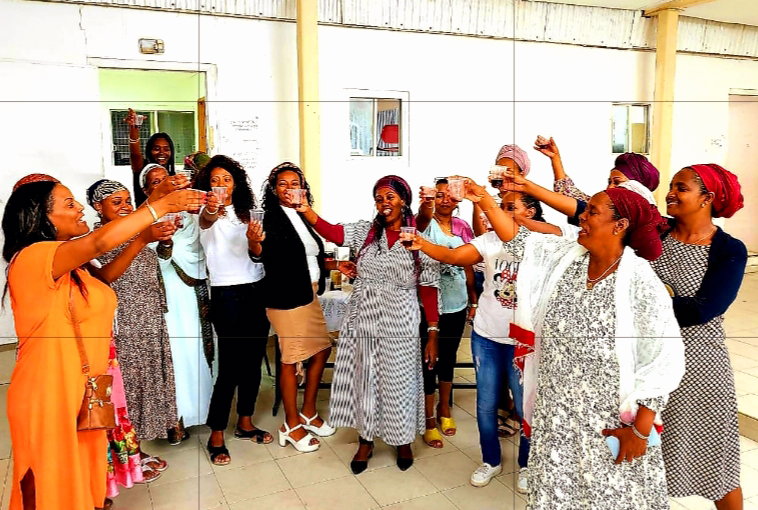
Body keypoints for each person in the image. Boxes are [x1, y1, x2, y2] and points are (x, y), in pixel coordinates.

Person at [412, 180, 685, 508]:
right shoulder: (567, 259)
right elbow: (517, 239)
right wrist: (482, 198)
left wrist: (640, 431)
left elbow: (660, 359)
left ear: (620, 225)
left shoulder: (640, 282)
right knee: (555, 494)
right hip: (556, 413)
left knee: (607, 497)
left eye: (592, 212)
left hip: (609, 420)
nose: (582, 217)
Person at [2, 173, 203, 510]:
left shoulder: (72, 264)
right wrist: (162, 206)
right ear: (41, 217)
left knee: (87, 485)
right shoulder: (33, 257)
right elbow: (99, 242)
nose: (80, 208)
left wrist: (152, 208)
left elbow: (106, 276)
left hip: (88, 393)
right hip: (51, 393)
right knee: (51, 491)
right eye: (69, 204)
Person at [299, 175, 440, 473]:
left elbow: (428, 288)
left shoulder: (418, 239)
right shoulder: (366, 232)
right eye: (379, 198)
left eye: (390, 197)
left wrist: (432, 332)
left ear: (403, 200)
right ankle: (365, 440)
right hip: (363, 315)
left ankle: (403, 440)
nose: (384, 203)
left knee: (399, 381)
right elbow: (333, 232)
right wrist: (305, 209)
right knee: (364, 379)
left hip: (400, 318)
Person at [407, 182, 540, 491]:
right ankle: (490, 460)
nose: (502, 213)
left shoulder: (540, 242)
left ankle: (527, 463)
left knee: (525, 407)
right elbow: (453, 256)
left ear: (530, 212)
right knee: (486, 404)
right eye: (501, 206)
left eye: (510, 207)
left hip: (523, 340)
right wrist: (420, 243)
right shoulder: (489, 241)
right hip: (488, 335)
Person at [651, 164, 747, 510]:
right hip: (650, 363)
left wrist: (645, 300)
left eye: (681, 188)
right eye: (671, 186)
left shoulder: (729, 250)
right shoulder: (656, 233)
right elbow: (590, 211)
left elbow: (703, 310)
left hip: (700, 369)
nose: (670, 193)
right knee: (646, 459)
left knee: (716, 466)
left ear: (707, 198)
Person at [86, 179, 181, 478]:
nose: (126, 206)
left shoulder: (134, 230)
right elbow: (105, 277)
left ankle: (135, 451)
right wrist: (142, 239)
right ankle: (125, 459)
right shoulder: (94, 240)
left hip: (149, 320)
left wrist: (165, 241)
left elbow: (160, 258)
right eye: (116, 202)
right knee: (125, 391)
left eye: (128, 200)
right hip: (123, 325)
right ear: (97, 206)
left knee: (143, 387)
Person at [260, 162, 351, 452]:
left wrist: (335, 266)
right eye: (282, 184)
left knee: (322, 349)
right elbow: (263, 254)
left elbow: (308, 255)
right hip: (285, 297)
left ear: (303, 188)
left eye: (294, 183)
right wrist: (254, 244)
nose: (289, 188)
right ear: (274, 190)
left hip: (308, 293)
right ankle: (290, 425)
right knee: (291, 358)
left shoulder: (303, 215)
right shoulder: (269, 218)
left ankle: (308, 412)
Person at [197, 155, 273, 466]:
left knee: (252, 363)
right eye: (215, 180)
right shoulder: (204, 212)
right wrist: (212, 206)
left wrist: (255, 242)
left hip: (255, 289)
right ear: (207, 186)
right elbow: (206, 220)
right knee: (229, 367)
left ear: (236, 184)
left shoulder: (247, 214)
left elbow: (258, 255)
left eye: (226, 180)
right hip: (226, 293)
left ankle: (245, 422)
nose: (221, 185)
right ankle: (216, 432)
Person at [140, 159, 214, 444]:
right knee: (174, 355)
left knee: (195, 350)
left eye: (166, 179)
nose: (163, 185)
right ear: (146, 190)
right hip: (165, 295)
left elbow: (200, 249)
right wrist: (165, 243)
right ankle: (175, 418)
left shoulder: (188, 215)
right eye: (155, 182)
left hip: (192, 293)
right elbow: (149, 256)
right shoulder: (141, 219)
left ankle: (200, 411)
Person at [415, 178, 477, 449]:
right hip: (428, 303)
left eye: (450, 195)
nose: (444, 200)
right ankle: (428, 417)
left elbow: (469, 264)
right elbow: (421, 216)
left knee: (449, 357)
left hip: (457, 302)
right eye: (439, 195)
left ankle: (445, 408)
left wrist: (473, 299)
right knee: (428, 360)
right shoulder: (425, 224)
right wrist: (426, 203)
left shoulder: (462, 227)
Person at [125, 108, 176, 205]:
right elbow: (135, 155)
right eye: (157, 149)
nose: (162, 152)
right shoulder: (142, 169)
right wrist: (134, 128)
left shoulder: (172, 175)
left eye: (166, 149)